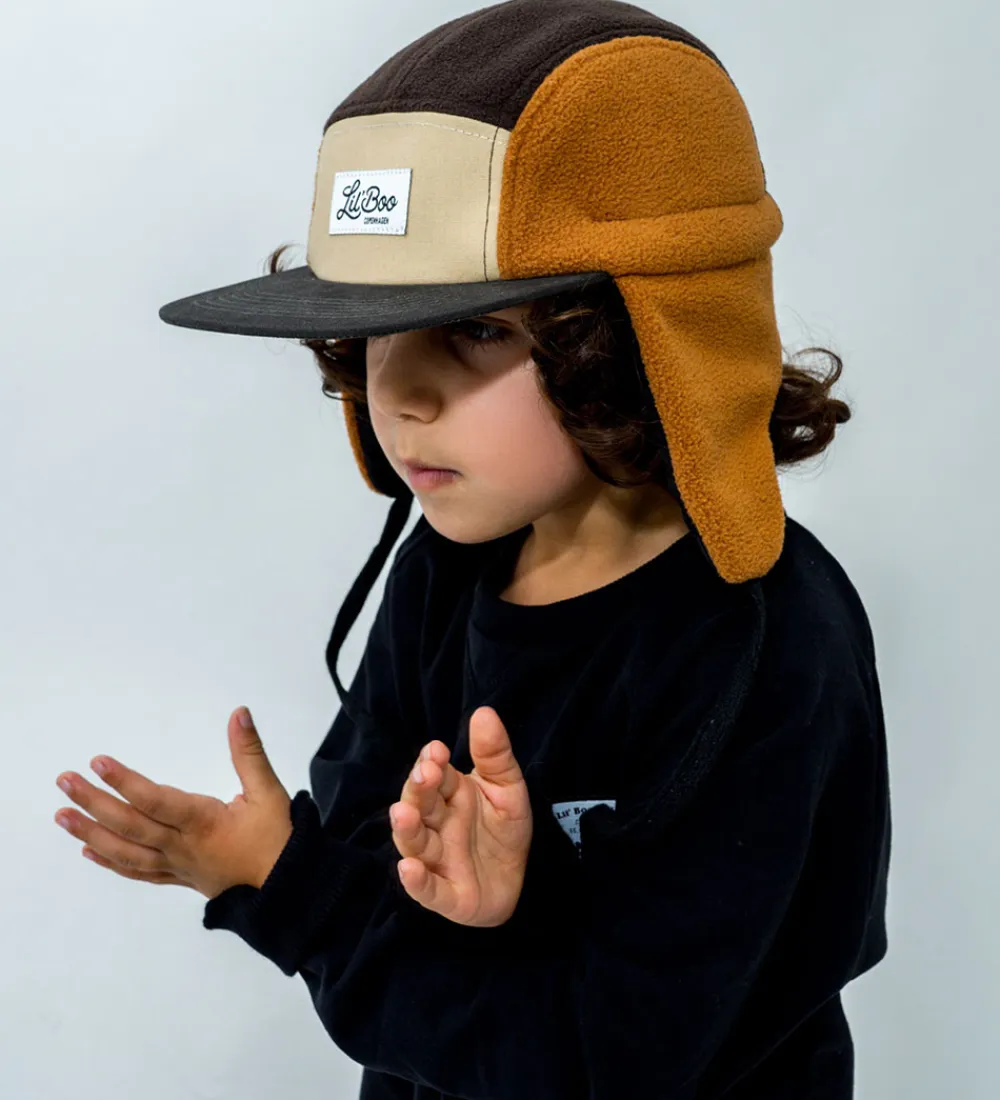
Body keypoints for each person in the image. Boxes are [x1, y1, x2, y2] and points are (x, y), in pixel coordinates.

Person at [56, 2, 892, 1097]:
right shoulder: (451, 564)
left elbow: (614, 1057)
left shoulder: (762, 646)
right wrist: (383, 885)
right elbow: (367, 836)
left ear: (646, 339)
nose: (397, 391)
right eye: (375, 329)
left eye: (479, 328)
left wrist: (290, 885)